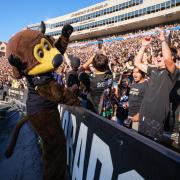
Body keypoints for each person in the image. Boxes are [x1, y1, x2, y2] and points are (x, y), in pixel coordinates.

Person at [134, 30, 179, 141]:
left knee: (151, 148)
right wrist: (143, 46)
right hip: (144, 113)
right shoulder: (153, 69)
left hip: (157, 118)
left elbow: (168, 59)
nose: (158, 57)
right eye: (157, 55)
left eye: (161, 55)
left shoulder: (173, 72)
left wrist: (163, 40)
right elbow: (137, 63)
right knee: (141, 144)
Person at [82, 54, 113, 118]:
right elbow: (106, 66)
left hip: (94, 112)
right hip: (107, 111)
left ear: (93, 65)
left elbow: (80, 70)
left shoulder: (90, 78)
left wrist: (91, 59)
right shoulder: (110, 75)